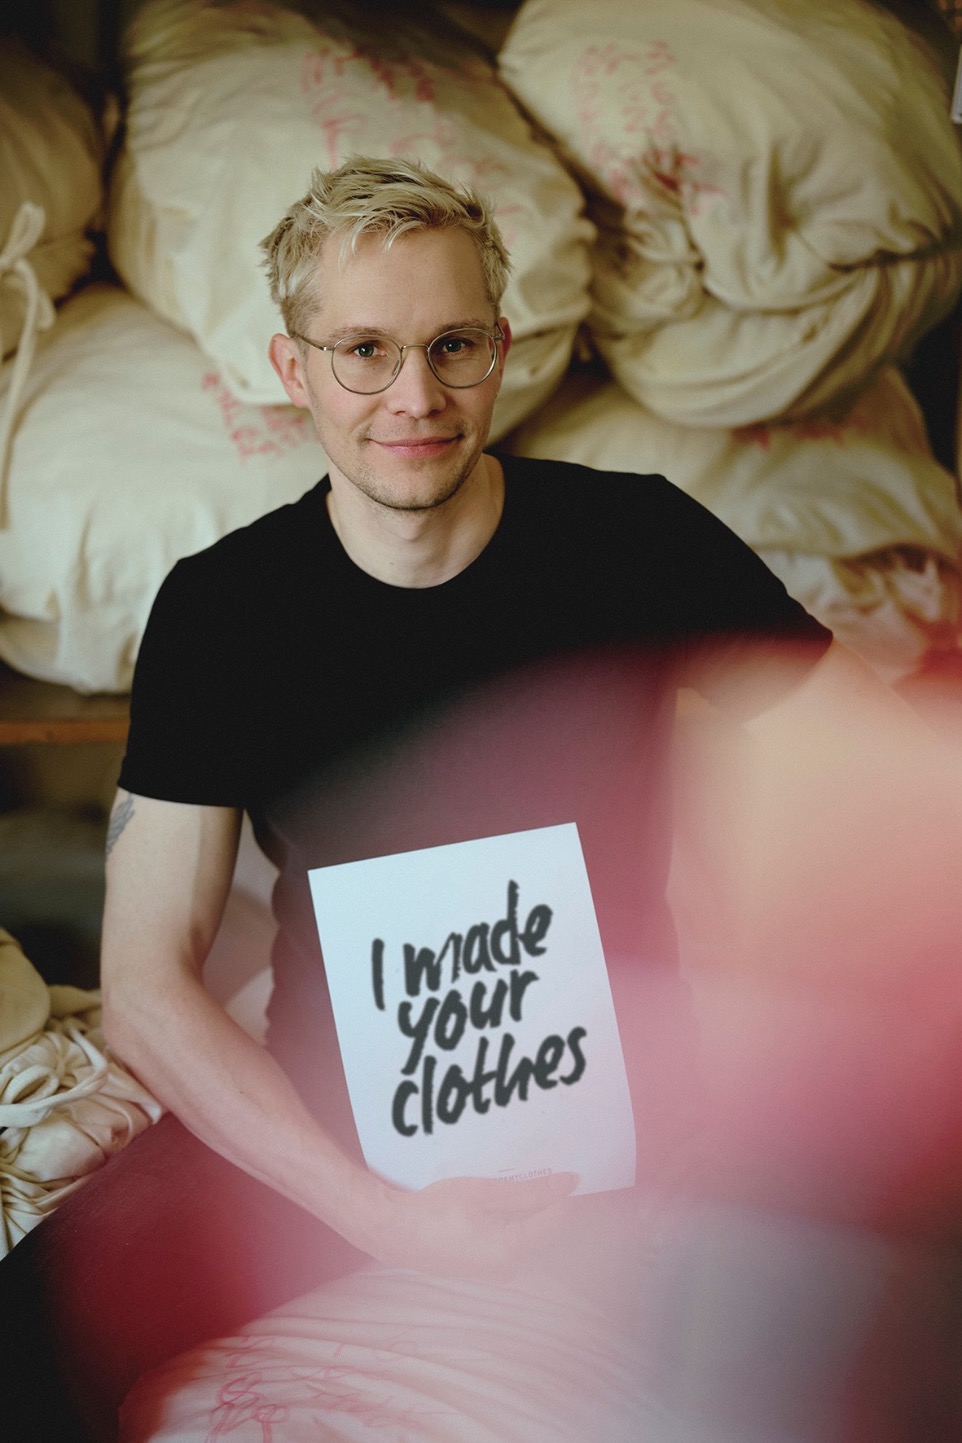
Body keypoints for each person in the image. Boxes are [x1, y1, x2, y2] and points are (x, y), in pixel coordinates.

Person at [7, 155, 953, 1443]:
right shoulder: (222, 611)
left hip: (630, 1126)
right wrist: (377, 1214)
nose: (415, 396)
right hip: (326, 1127)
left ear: (502, 348)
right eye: (365, 351)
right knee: (27, 1332)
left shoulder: (636, 541)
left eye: (453, 344)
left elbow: (890, 779)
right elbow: (150, 988)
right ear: (295, 370)